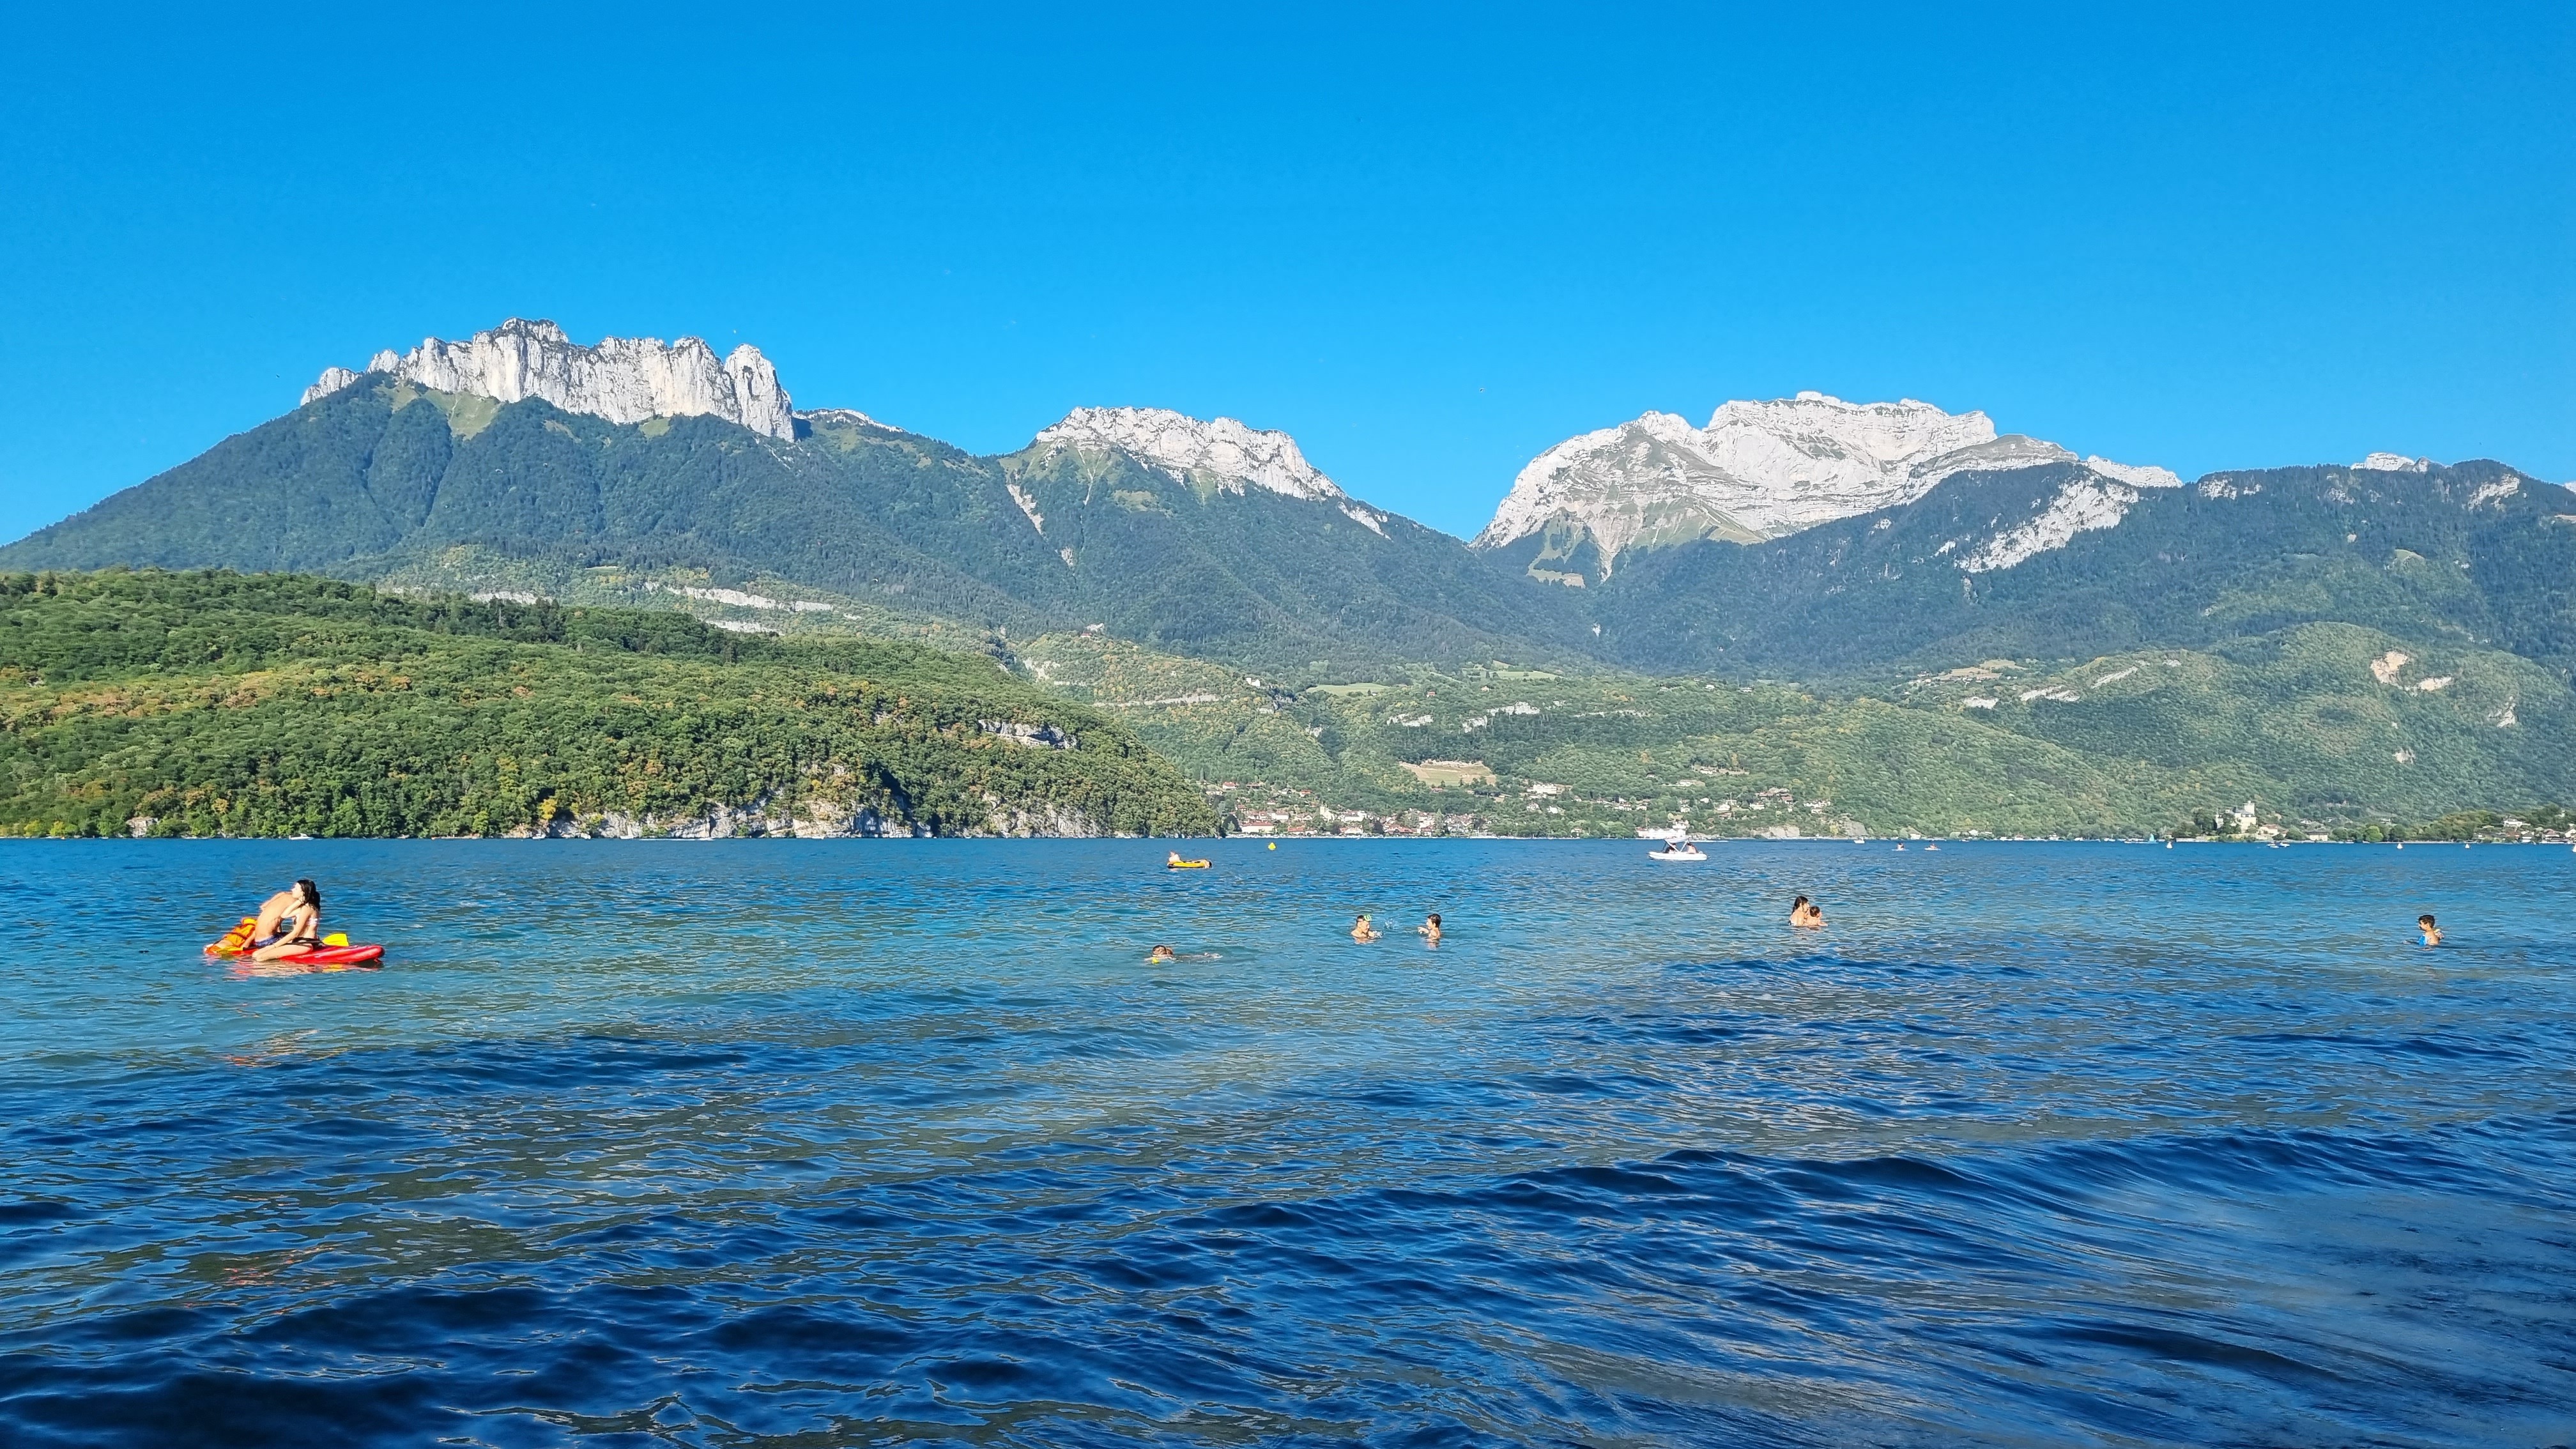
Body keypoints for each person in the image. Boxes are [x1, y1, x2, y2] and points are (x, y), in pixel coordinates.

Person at [251, 879, 324, 962]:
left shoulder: (308, 908)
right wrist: (299, 901)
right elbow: (284, 915)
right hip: (299, 941)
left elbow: (296, 933)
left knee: (260, 958)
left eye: (296, 889)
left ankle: (287, 971)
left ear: (303, 892)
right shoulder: (303, 907)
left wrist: (273, 946)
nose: (292, 890)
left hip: (305, 943)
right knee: (255, 955)